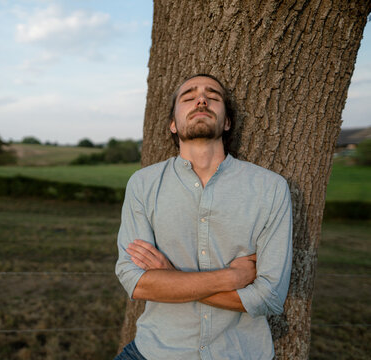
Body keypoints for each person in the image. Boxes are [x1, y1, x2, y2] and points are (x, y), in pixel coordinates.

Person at [114, 74, 293, 359]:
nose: (201, 99)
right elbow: (135, 281)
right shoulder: (143, 184)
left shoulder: (270, 188)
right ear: (173, 124)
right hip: (154, 352)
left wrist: (170, 278)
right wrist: (232, 277)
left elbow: (269, 297)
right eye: (188, 97)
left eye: (213, 96)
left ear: (227, 122)